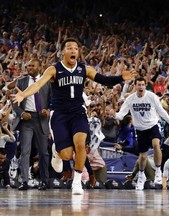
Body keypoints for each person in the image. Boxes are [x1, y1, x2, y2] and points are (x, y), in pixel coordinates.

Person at [12, 38, 136, 195]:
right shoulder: (53, 69)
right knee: (67, 154)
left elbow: (103, 80)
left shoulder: (84, 69)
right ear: (63, 52)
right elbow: (37, 85)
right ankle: (57, 151)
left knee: (80, 143)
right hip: (59, 114)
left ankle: (77, 182)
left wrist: (120, 78)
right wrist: (23, 94)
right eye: (69, 48)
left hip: (78, 112)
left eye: (76, 49)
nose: (73, 51)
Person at [114, 76, 169, 190]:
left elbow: (161, 112)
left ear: (145, 85)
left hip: (153, 125)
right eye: (139, 85)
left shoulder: (151, 96)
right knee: (143, 156)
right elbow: (121, 114)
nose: (141, 87)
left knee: (156, 145)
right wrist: (114, 114)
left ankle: (158, 170)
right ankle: (141, 175)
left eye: (143, 84)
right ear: (135, 86)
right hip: (140, 129)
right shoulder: (130, 99)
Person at [12, 58, 51, 191]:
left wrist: (48, 110)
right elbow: (14, 102)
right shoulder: (21, 81)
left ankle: (44, 181)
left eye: (32, 66)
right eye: (28, 66)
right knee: (25, 151)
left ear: (40, 67)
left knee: (44, 152)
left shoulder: (47, 81)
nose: (29, 68)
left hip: (42, 119)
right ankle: (24, 181)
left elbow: (53, 100)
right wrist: (22, 113)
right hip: (26, 120)